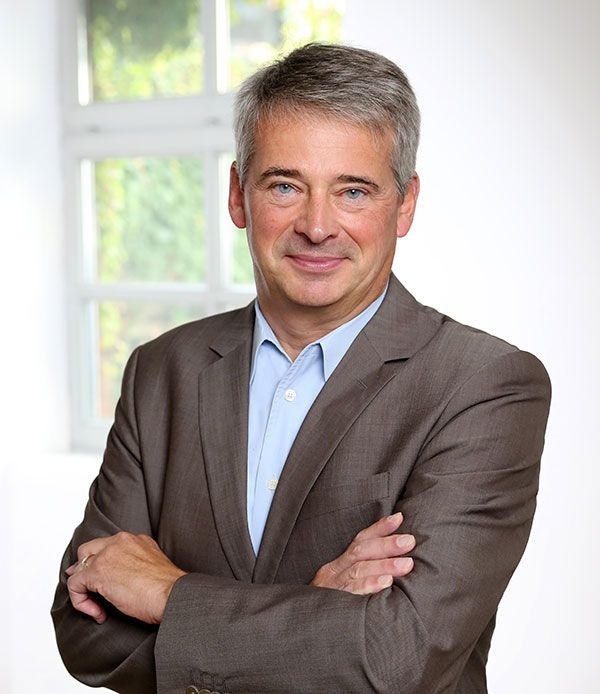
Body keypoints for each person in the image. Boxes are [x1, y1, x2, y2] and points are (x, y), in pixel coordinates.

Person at [51, 43, 551, 694]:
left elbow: (397, 659)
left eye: (353, 191)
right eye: (285, 186)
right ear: (238, 195)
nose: (317, 226)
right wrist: (313, 608)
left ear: (404, 204)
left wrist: (167, 594)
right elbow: (84, 631)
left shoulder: (483, 386)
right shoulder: (162, 370)